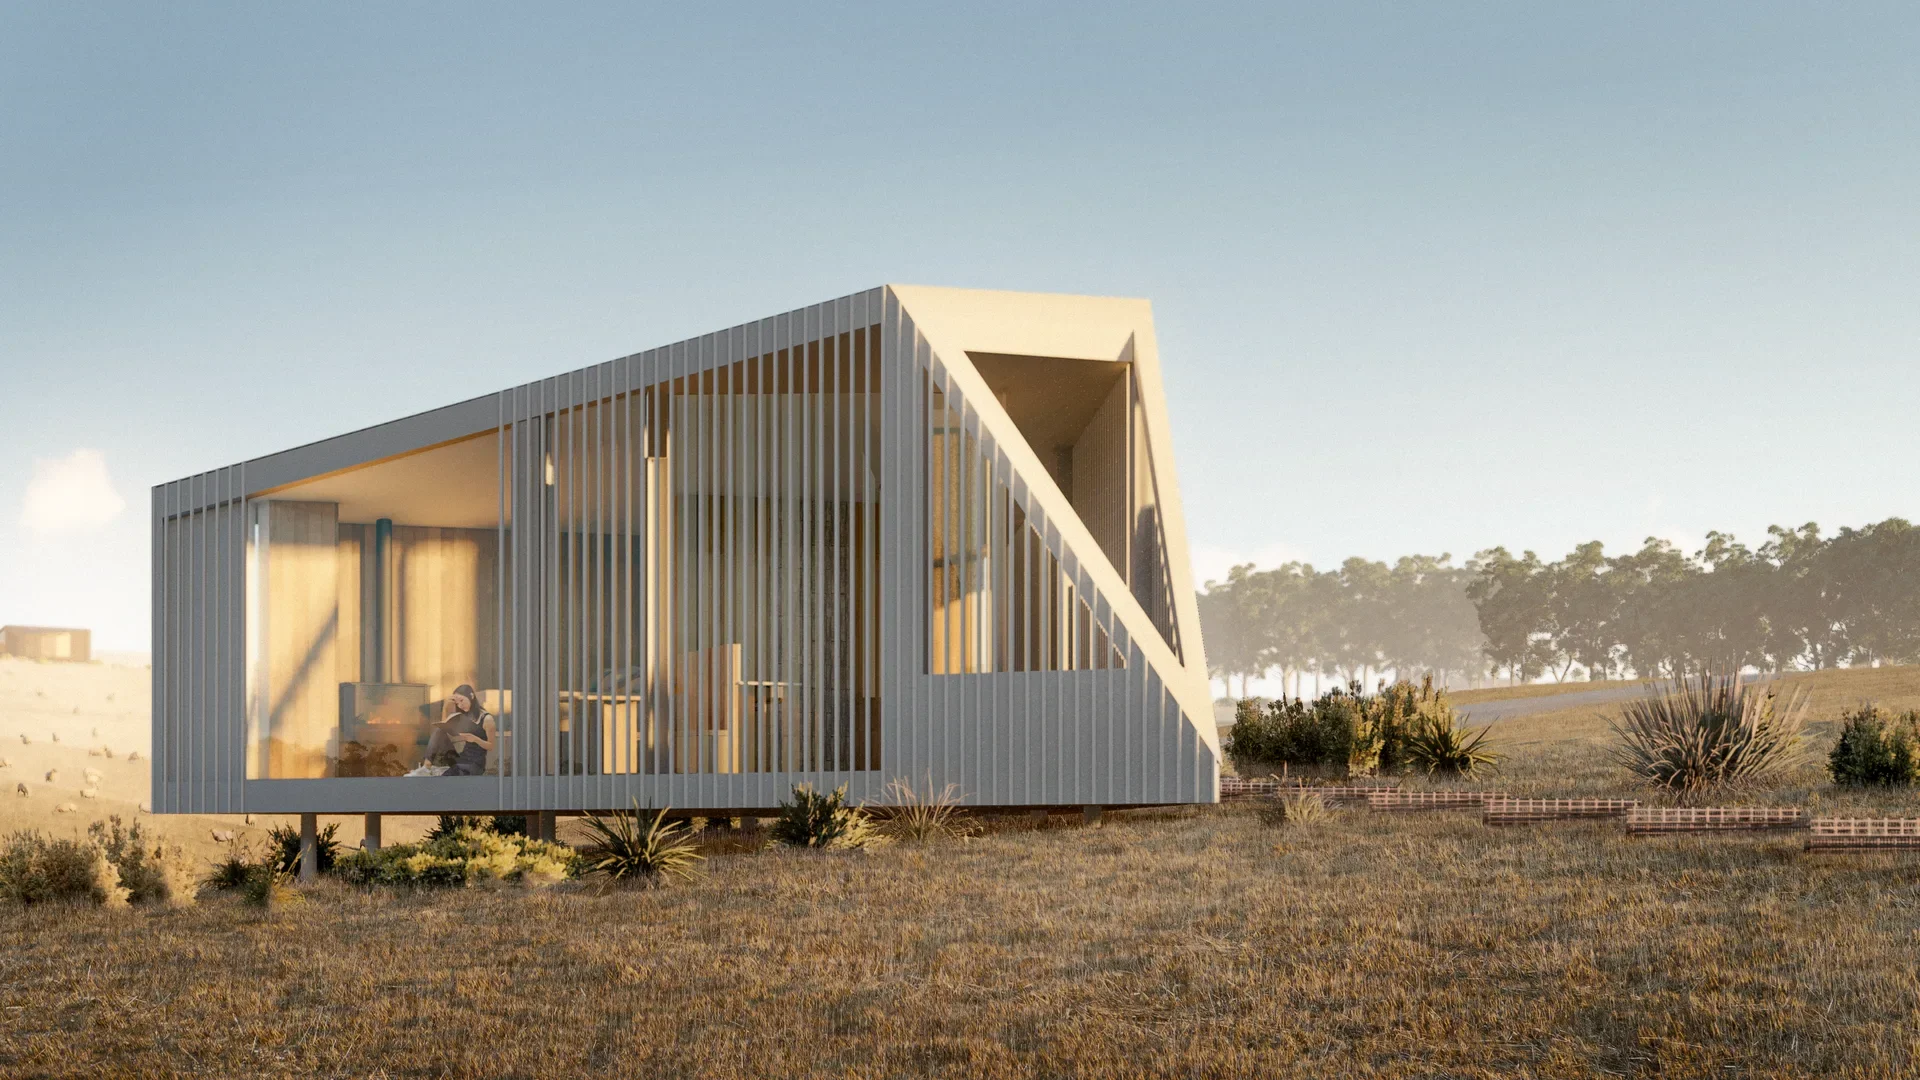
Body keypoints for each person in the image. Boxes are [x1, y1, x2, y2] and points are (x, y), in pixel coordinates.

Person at [421, 684, 494, 777]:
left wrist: (475, 739)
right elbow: (444, 726)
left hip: (475, 765)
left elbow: (491, 746)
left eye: (462, 700)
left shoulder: (487, 719)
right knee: (439, 731)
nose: (460, 705)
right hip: (462, 758)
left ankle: (442, 772)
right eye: (457, 703)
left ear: (471, 696)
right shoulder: (466, 716)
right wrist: (446, 706)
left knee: (449, 774)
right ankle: (426, 766)